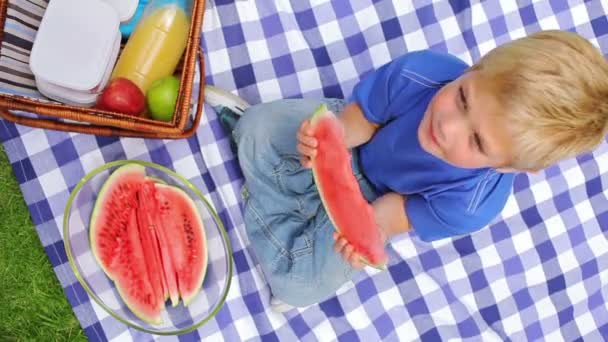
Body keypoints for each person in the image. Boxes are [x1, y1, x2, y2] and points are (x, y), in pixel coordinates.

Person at [204, 30, 608, 312]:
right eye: (463, 98)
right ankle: (274, 200)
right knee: (259, 127)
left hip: (376, 201)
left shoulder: (474, 205)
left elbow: (390, 215)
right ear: (477, 65)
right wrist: (329, 141)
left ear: (510, 167)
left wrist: (363, 235)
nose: (448, 127)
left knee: (302, 285)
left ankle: (269, 200)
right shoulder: (424, 72)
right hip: (355, 137)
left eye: (478, 142)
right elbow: (359, 121)